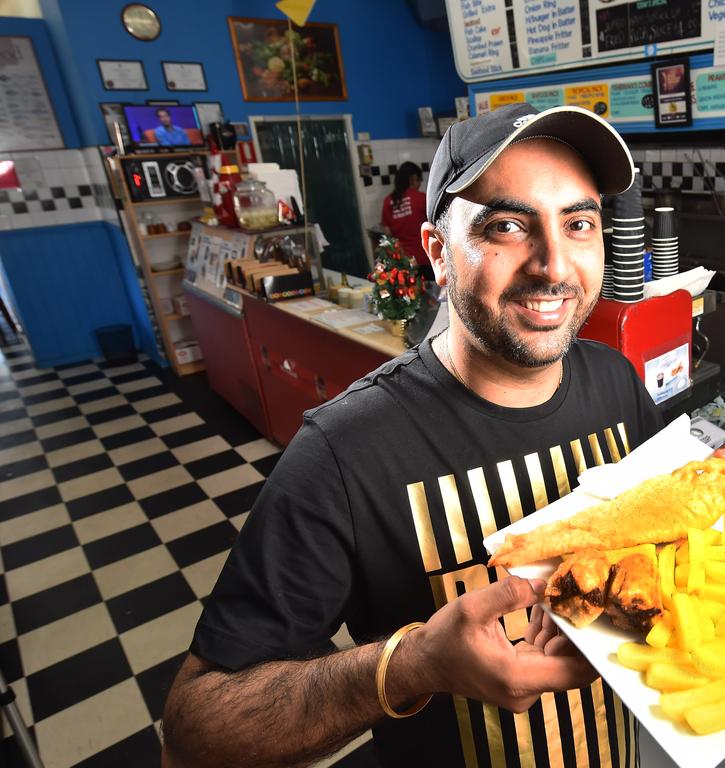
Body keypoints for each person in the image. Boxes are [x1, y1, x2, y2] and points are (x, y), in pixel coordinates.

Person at [162, 103, 662, 768]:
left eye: (578, 224)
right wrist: (412, 665)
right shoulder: (345, 452)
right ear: (437, 253)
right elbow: (196, 731)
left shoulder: (616, 382)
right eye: (508, 226)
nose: (553, 265)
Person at [382, 161, 432, 281]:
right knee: (432, 296)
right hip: (425, 259)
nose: (419, 184)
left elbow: (388, 234)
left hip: (403, 262)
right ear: (413, 179)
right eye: (419, 180)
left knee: (411, 296)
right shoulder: (421, 198)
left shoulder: (388, 202)